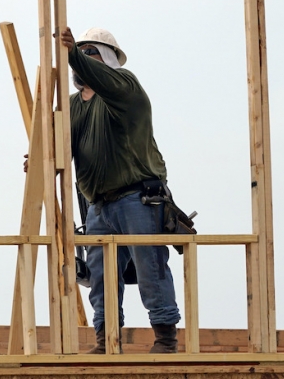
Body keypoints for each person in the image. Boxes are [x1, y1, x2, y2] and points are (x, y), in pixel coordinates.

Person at [58, 26, 180, 354]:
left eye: (91, 53)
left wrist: (72, 53)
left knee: (150, 267)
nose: (83, 60)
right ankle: (106, 340)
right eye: (80, 54)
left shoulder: (124, 86)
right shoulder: (72, 105)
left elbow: (104, 80)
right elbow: (60, 147)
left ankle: (165, 338)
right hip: (98, 204)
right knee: (101, 277)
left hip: (137, 197)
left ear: (108, 58)